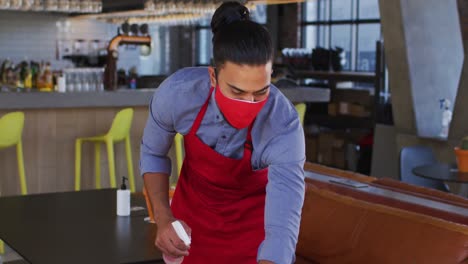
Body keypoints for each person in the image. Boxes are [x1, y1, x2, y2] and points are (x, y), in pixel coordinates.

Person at [140, 2, 305, 263]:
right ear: (214, 77)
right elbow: (153, 153)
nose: (249, 104)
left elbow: (281, 231)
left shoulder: (283, 125)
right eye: (237, 92)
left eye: (260, 92)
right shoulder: (179, 94)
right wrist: (163, 218)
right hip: (189, 238)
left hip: (252, 244)